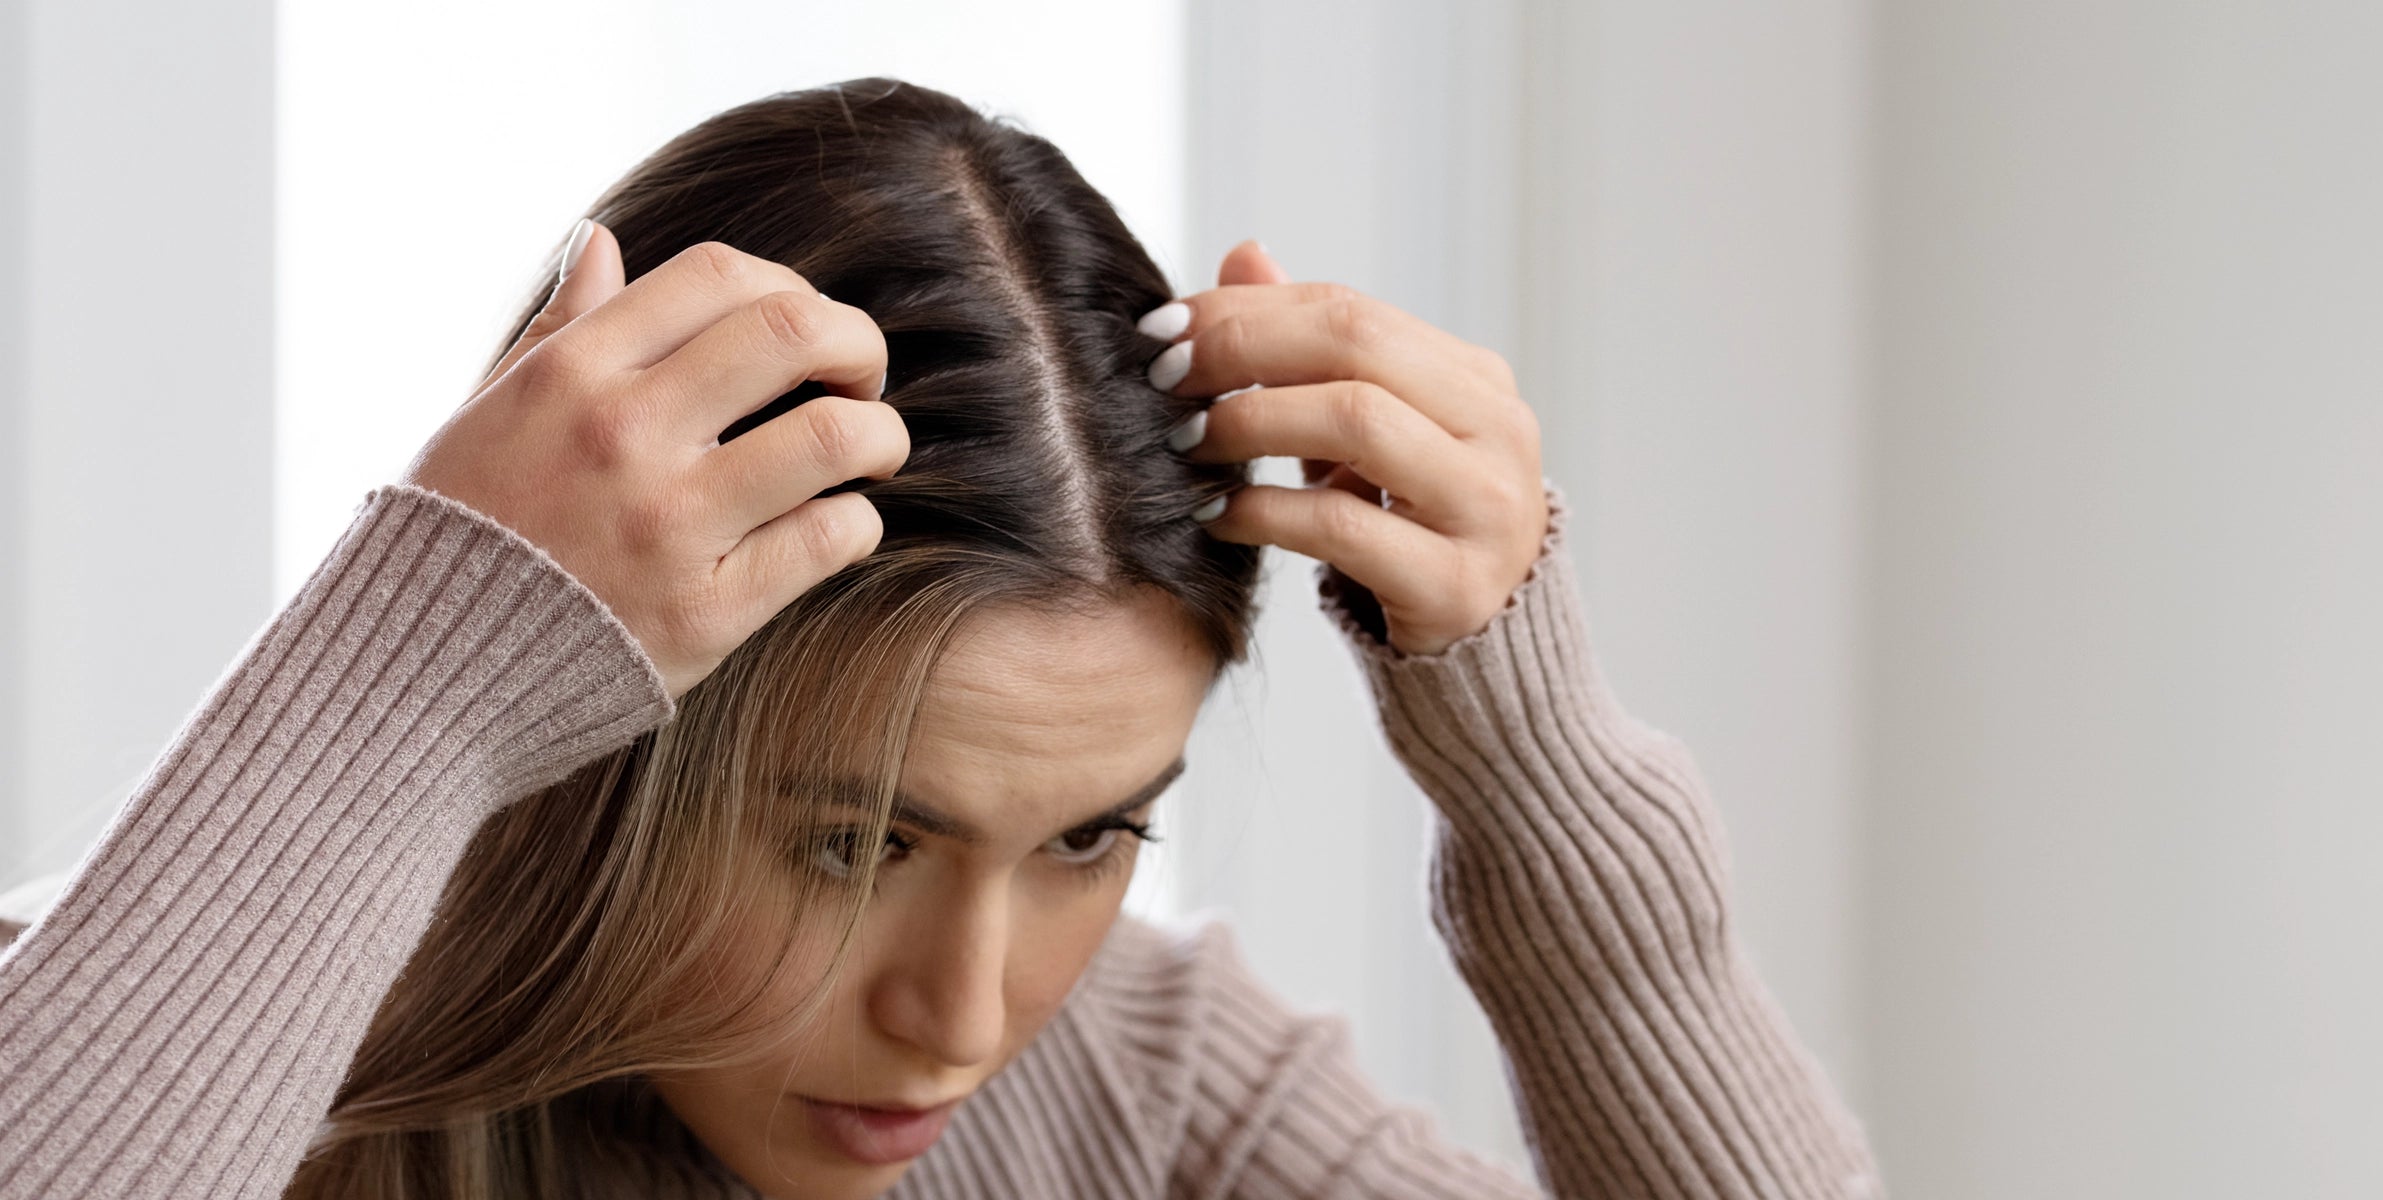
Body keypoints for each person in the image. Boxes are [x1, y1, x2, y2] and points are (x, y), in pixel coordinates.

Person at [0, 79, 1873, 1200]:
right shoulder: (153, 1059)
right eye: (854, 840)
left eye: (1087, 835)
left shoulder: (1146, 1093)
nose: (960, 1023)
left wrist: (1530, 752)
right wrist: (412, 670)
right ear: (614, 735)